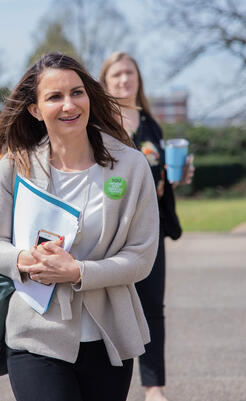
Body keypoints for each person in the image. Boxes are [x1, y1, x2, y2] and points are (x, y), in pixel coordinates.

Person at [0, 52, 160, 401]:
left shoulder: (131, 165)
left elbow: (141, 257)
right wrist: (24, 259)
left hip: (110, 341)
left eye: (77, 92)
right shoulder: (15, 165)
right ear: (35, 109)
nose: (69, 105)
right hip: (35, 336)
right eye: (54, 96)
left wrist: (77, 271)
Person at [99, 51, 193, 401]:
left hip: (149, 231)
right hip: (110, 231)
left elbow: (160, 177)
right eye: (117, 75)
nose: (124, 80)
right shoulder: (98, 125)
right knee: (109, 307)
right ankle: (108, 384)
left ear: (138, 79)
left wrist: (178, 177)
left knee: (153, 307)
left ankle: (154, 387)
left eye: (129, 73)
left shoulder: (151, 125)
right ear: (106, 82)